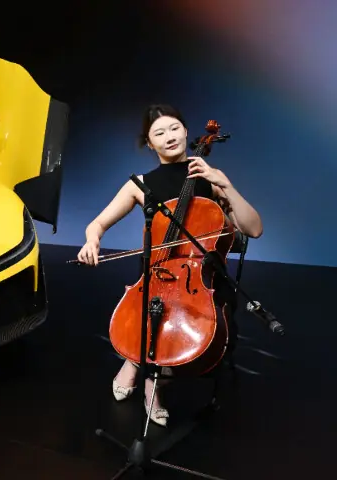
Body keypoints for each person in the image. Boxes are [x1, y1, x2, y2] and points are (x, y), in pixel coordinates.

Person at [76, 104, 263, 426]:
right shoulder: (140, 184)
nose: (169, 137)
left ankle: (148, 377)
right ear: (150, 144)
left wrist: (225, 186)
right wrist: (92, 240)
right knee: (150, 313)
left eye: (174, 128)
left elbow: (254, 229)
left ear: (187, 132)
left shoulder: (207, 176)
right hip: (157, 269)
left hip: (201, 278)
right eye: (159, 133)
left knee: (173, 323)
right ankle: (141, 370)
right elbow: (98, 223)